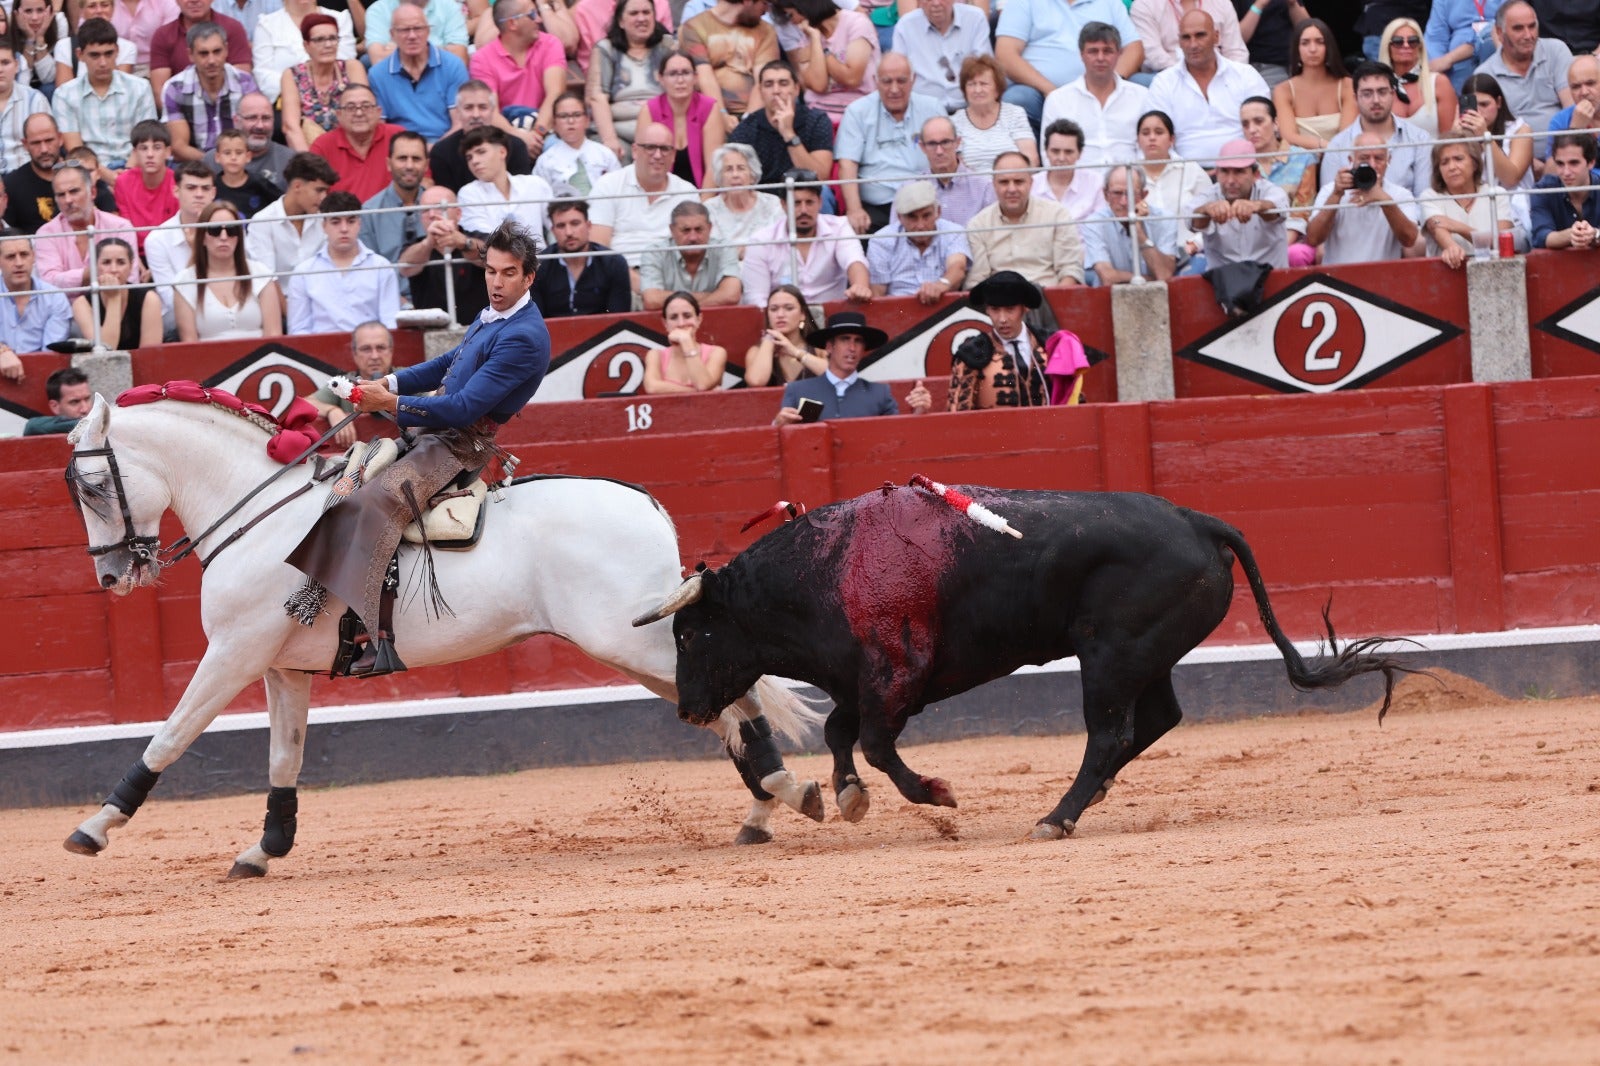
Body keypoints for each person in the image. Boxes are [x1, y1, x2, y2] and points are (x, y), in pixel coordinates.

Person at [286, 219, 552, 677]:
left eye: (508, 273)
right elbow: (448, 364)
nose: (496, 282)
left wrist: (388, 403)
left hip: (460, 445)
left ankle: (379, 636)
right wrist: (386, 381)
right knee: (349, 476)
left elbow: (463, 408)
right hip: (437, 434)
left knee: (374, 502)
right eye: (491, 271)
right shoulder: (494, 316)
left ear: (528, 277)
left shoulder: (524, 336)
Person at [836, 52, 944, 233]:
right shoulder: (857, 112)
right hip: (876, 207)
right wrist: (854, 209)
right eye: (887, 81)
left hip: (925, 203)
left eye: (901, 81)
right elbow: (847, 164)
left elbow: (950, 157)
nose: (894, 89)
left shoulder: (932, 108)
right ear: (875, 80)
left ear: (913, 80)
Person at [995, 0, 1140, 131]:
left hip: (1101, 87)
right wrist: (1052, 92)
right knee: (1017, 99)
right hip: (1041, 92)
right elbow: (1005, 55)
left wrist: (1113, 83)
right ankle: (1035, 159)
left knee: (1143, 84)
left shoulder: (1109, 3)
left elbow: (1134, 48)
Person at [1147, 10, 1270, 163]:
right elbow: (1158, 140)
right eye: (1186, 37)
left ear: (1216, 36)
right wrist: (1188, 172)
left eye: (1200, 35)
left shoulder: (1245, 76)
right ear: (1179, 41)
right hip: (1186, 175)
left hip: (1243, 170)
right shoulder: (1163, 83)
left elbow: (1265, 131)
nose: (1193, 44)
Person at [588, 118, 698, 283]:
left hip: (675, 278)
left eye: (665, 149)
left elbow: (695, 247)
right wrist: (639, 283)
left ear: (674, 155)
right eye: (650, 147)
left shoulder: (687, 192)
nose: (658, 155)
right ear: (635, 151)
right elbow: (598, 245)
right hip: (621, 277)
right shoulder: (608, 185)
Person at [772, 308, 930, 423]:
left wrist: (919, 412)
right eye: (844, 339)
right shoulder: (798, 390)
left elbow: (897, 438)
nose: (852, 348)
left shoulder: (880, 394)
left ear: (863, 349)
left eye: (858, 341)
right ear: (829, 346)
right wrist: (778, 425)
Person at [742, 168, 870, 307]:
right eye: (796, 203)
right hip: (783, 322)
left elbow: (855, 261)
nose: (803, 210)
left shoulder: (839, 227)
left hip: (831, 319)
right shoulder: (761, 241)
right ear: (783, 205)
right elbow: (756, 298)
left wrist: (860, 286)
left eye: (809, 202)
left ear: (820, 203)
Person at [285, 189, 399, 333]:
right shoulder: (303, 273)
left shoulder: (381, 267)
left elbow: (390, 324)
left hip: (371, 350)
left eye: (351, 221)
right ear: (324, 226)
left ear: (359, 224)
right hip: (320, 351)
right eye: (335, 222)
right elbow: (299, 330)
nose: (344, 229)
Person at [1040, 22, 1149, 171]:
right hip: (1078, 188)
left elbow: (1152, 150)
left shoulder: (1142, 96)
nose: (1100, 57)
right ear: (1081, 55)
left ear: (1118, 54)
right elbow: (1049, 156)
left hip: (1131, 185)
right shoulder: (1058, 100)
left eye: (1107, 51)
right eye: (1093, 51)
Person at [967, 150, 1084, 289]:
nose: (1011, 189)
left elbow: (1070, 270)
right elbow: (976, 281)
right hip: (1000, 303)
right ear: (994, 184)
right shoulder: (978, 225)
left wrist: (1057, 304)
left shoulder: (1057, 215)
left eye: (1018, 182)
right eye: (1004, 182)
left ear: (1030, 182)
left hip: (1048, 299)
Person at [51, 19, 155, 173]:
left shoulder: (140, 88)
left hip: (135, 168)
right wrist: (111, 178)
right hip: (89, 173)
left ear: (117, 51)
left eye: (108, 53)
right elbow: (76, 151)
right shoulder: (65, 95)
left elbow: (146, 140)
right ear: (80, 55)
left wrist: (127, 173)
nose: (103, 62)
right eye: (95, 55)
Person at [1323, 61, 1434, 200]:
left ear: (1393, 94)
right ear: (1355, 98)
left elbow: (1424, 200)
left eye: (1382, 92)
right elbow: (1327, 202)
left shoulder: (1419, 139)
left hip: (1408, 218)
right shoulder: (1337, 145)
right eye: (1367, 94)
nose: (1376, 100)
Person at [1306, 133, 1422, 265]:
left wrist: (1385, 201)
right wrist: (1336, 195)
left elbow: (1409, 240)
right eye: (1364, 158)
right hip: (1338, 279)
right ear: (1351, 160)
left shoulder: (1400, 194)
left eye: (1378, 158)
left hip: (1382, 279)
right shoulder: (1331, 191)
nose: (1372, 164)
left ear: (1388, 161)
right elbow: (1313, 238)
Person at [173, 199, 283, 339]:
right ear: (202, 237)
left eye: (231, 230)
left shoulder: (261, 274)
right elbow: (189, 345)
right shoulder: (184, 282)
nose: (224, 237)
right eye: (215, 230)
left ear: (239, 236)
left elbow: (274, 336)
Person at [1475, 1, 1574, 150]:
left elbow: (1572, 110)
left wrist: (1555, 159)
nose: (1528, 35)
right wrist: (1527, 162)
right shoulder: (1485, 74)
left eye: (1532, 26)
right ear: (1500, 33)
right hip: (1514, 161)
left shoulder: (1556, 51)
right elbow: (1491, 134)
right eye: (1518, 28)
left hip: (1564, 153)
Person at [368, 0, 470, 143]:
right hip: (400, 149)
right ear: (392, 34)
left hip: (445, 146)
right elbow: (380, 128)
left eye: (418, 28)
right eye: (404, 30)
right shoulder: (378, 74)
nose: (412, 36)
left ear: (428, 31)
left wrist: (435, 152)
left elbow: (460, 124)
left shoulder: (453, 66)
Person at [587, 0, 677, 160]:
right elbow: (597, 97)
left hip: (663, 128)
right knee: (610, 155)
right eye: (634, 13)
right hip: (619, 131)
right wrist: (610, 140)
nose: (641, 18)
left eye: (646, 12)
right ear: (621, 21)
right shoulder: (605, 49)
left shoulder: (667, 47)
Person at [947, 269, 1048, 411]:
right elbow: (957, 413)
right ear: (987, 310)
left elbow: (1074, 402)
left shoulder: (1051, 345)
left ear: (1025, 308)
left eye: (1010, 309)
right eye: (995, 309)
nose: (1002, 319)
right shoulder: (971, 353)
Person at [469, 0, 566, 145]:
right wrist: (519, 138)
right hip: (504, 135)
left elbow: (555, 94)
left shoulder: (550, 44)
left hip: (545, 132)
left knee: (555, 146)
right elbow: (489, 110)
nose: (539, 20)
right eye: (532, 14)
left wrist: (537, 133)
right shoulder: (482, 59)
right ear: (512, 24)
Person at [727, 58, 834, 190]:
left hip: (804, 194)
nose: (776, 90)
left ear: (796, 89)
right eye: (768, 84)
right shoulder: (746, 129)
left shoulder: (816, 120)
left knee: (825, 193)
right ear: (760, 91)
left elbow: (820, 178)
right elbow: (737, 181)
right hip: (763, 198)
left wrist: (789, 134)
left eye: (783, 83)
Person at [1186, 138, 1291, 269]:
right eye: (1225, 171)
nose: (1230, 180)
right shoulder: (1209, 196)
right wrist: (1207, 210)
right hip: (1224, 284)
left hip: (1271, 281)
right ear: (1217, 173)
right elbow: (1192, 220)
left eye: (1239, 171)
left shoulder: (1270, 191)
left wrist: (1256, 206)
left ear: (1256, 175)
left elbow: (1276, 209)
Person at [162, 21, 260, 162]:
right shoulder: (175, 88)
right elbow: (179, 146)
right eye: (203, 53)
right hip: (195, 166)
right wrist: (217, 162)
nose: (212, 60)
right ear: (190, 55)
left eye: (217, 51)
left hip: (240, 163)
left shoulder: (245, 83)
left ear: (226, 50)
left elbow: (254, 133)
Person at [33, 159, 136, 292]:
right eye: (61, 195)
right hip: (65, 312)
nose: (68, 200)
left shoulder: (120, 227)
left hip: (115, 306)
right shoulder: (46, 233)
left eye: (74, 191)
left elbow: (131, 281)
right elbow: (49, 283)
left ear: (93, 192)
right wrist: (92, 273)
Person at [1457, 71, 1536, 243]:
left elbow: (1511, 178)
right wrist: (1457, 136)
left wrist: (1486, 138)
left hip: (1514, 212)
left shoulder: (1520, 130)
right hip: (1472, 211)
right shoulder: (1459, 134)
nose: (1479, 112)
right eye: (1473, 106)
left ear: (1499, 102)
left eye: (1485, 104)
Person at [1239, 95, 1317, 267]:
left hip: (1292, 239)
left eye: (1259, 121)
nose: (1252, 129)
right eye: (1245, 124)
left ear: (1275, 123)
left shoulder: (1303, 158)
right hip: (1246, 241)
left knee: (1295, 254)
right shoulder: (1238, 163)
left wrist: (1273, 249)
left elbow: (1301, 213)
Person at [678, 0, 780, 129]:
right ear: (747, 2)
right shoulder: (694, 27)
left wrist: (748, 121)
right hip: (707, 113)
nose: (766, 11)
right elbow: (705, 78)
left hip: (754, 114)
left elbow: (764, 79)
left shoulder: (766, 30)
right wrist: (722, 115)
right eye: (764, 3)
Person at [774, 0, 878, 126]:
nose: (792, 22)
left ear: (803, 6)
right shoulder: (807, 35)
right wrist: (816, 38)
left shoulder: (857, 23)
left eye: (791, 15)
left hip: (858, 113)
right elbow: (818, 85)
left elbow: (852, 79)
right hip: (819, 117)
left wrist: (824, 50)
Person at [866, 179, 969, 303]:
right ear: (899, 217)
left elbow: (957, 267)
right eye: (912, 217)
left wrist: (940, 286)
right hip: (898, 310)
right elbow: (878, 294)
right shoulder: (881, 241)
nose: (920, 225)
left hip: (943, 307)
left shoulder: (953, 232)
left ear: (938, 212)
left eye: (926, 216)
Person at [278, 11, 368, 152]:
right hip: (309, 151)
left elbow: (364, 113)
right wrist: (311, 164)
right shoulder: (292, 75)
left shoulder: (352, 68)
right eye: (319, 40)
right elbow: (290, 126)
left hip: (351, 149)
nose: (328, 45)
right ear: (306, 46)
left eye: (333, 38)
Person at [1423, 130, 1515, 268]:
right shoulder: (1430, 196)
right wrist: (1452, 248)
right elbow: (1438, 229)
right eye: (1444, 162)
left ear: (1475, 163)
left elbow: (1499, 241)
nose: (1452, 167)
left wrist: (1456, 226)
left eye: (1458, 159)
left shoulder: (1497, 194)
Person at [398, 185, 490, 322]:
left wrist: (464, 243)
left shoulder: (478, 238)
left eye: (439, 207)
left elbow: (493, 259)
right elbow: (405, 268)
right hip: (430, 331)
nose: (431, 215)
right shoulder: (415, 244)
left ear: (458, 213)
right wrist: (428, 242)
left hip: (480, 327)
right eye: (424, 210)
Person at [530, 196, 630, 317]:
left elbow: (619, 318)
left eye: (575, 223)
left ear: (588, 226)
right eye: (561, 226)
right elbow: (537, 319)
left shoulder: (614, 263)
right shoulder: (538, 265)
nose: (569, 232)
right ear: (553, 230)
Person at [143, 159, 216, 323]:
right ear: (176, 191)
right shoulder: (157, 240)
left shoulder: (230, 229)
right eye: (191, 188)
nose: (199, 194)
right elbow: (172, 301)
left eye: (205, 188)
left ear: (213, 193)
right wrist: (196, 251)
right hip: (180, 316)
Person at [428, 79, 533, 192]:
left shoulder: (515, 146)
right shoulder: (442, 151)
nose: (476, 115)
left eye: (482, 107)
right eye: (468, 108)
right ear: (458, 112)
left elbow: (523, 193)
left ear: (492, 110)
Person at [304, 319, 397, 446]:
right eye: (366, 349)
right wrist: (332, 411)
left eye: (380, 348)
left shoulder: (405, 378)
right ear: (354, 354)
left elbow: (431, 397)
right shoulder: (344, 382)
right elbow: (306, 404)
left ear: (391, 351)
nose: (374, 356)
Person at [458, 125, 554, 246]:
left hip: (544, 262)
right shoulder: (468, 193)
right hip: (496, 263)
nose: (474, 161)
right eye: (469, 157)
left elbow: (556, 226)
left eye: (481, 152)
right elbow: (485, 240)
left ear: (502, 152)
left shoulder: (535, 184)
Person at [1081, 165, 1177, 285]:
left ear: (1144, 195)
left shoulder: (1164, 219)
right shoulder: (1094, 223)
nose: (1124, 201)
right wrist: (1148, 280)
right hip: (1110, 298)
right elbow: (1107, 277)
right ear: (1106, 195)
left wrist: (1139, 232)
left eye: (1131, 194)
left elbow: (1164, 274)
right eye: (1117, 193)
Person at [244, 149, 336, 274]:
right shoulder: (262, 222)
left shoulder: (323, 219)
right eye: (319, 190)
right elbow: (266, 279)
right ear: (297, 186)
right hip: (276, 292)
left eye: (325, 191)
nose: (323, 197)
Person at [1274, 16, 1359, 152]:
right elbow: (1288, 136)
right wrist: (1323, 145)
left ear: (1329, 47)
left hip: (1341, 159)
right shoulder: (1283, 90)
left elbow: (1346, 136)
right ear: (1297, 49)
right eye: (1305, 43)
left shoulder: (1347, 85)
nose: (1313, 49)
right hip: (1301, 165)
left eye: (1320, 42)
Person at [251, 0, 358, 107]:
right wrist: (301, 96)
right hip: (286, 103)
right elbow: (264, 75)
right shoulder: (267, 24)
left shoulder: (340, 19)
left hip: (338, 101)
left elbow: (346, 65)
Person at [359, 130, 427, 294]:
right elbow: (367, 271)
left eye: (416, 159)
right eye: (402, 158)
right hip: (386, 301)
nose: (409, 166)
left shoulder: (439, 206)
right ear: (389, 163)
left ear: (426, 164)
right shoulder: (370, 212)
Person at [892, 0, 990, 114]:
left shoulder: (975, 18)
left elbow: (985, 69)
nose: (936, 3)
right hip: (923, 112)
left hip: (970, 109)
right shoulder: (905, 26)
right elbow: (898, 75)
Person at [640, 200, 740, 308]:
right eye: (686, 230)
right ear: (672, 230)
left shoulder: (724, 249)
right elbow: (652, 300)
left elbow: (731, 295)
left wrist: (689, 310)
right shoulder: (655, 253)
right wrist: (713, 296)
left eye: (699, 229)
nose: (693, 237)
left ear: (710, 228)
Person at [149, 0, 254, 101]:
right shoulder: (163, 35)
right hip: (182, 110)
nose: (194, 0)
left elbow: (242, 83)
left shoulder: (233, 28)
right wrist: (175, 114)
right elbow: (161, 92)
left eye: (217, 51)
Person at [648, 49, 724, 187]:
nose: (680, 80)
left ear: (695, 77)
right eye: (672, 74)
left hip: (702, 197)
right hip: (662, 198)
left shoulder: (709, 107)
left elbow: (713, 168)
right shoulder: (650, 109)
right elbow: (645, 167)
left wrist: (703, 204)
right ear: (661, 79)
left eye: (686, 73)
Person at [951, 53, 1036, 175]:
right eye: (971, 84)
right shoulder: (954, 122)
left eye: (984, 84)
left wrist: (1005, 184)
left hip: (1012, 185)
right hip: (973, 189)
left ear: (997, 88)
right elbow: (957, 167)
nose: (977, 90)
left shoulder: (1015, 114)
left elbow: (1031, 159)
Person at [71, 235, 161, 347]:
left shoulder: (149, 298)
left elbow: (150, 354)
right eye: (106, 262)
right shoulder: (82, 303)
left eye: (121, 262)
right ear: (95, 266)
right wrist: (114, 298)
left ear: (131, 266)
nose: (114, 269)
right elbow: (106, 350)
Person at [1381, 16, 1457, 140]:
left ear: (1420, 47)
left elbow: (1448, 139)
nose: (1406, 45)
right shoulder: (1378, 89)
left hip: (1433, 158)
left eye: (1412, 41)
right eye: (1398, 41)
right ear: (1387, 47)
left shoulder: (1439, 83)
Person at [912, 113, 993, 227]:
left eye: (945, 142)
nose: (939, 151)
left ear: (957, 142)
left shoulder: (984, 188)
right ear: (922, 147)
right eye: (932, 144)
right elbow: (896, 238)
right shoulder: (909, 189)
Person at [1130, 0, 1246, 79]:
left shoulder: (1221, 2)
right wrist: (1192, 74)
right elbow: (1152, 54)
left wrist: (1225, 75)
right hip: (1168, 74)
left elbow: (1236, 51)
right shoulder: (1144, 4)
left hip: (1219, 72)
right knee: (1140, 81)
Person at [203, 91, 294, 190]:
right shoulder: (211, 162)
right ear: (236, 121)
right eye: (252, 118)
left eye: (266, 118)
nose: (260, 125)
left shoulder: (290, 161)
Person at [640, 289, 726, 394]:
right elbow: (652, 388)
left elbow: (703, 384)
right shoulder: (655, 355)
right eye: (673, 317)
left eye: (687, 316)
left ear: (699, 319)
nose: (681, 323)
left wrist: (686, 342)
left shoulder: (716, 353)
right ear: (665, 323)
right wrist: (694, 392)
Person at [535, 91, 621, 196]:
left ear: (587, 120)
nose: (571, 121)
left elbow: (619, 191)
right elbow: (541, 199)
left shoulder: (605, 155)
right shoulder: (545, 162)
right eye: (563, 116)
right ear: (554, 124)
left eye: (577, 115)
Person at [0, 228, 71, 354]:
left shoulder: (54, 297)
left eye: (24, 254)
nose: (19, 263)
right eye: (10, 257)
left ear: (33, 256)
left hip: (44, 370)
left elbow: (50, 353)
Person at [741, 282, 825, 387]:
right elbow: (756, 381)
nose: (780, 315)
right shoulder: (756, 352)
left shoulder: (819, 348)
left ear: (802, 314)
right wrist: (769, 340)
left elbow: (836, 376)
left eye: (789, 308)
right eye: (774, 309)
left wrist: (795, 352)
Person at [112, 120, 178, 254]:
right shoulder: (123, 182)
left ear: (168, 152)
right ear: (135, 153)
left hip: (169, 252)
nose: (150, 154)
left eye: (157, 147)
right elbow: (126, 229)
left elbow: (177, 232)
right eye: (143, 148)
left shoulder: (177, 182)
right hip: (133, 253)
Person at [703, 142, 783, 252]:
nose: (735, 175)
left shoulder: (773, 205)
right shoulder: (709, 209)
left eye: (741, 168)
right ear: (720, 178)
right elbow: (712, 254)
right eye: (729, 169)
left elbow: (780, 247)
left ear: (752, 175)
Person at [1530, 132, 1600, 250]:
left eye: (1574, 163)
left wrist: (1595, 234)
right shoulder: (1544, 190)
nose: (1566, 172)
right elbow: (1542, 236)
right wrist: (1571, 235)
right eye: (1560, 164)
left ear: (1591, 163)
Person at [3, 112, 68, 233]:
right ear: (25, 144)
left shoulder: (82, 177)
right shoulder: (12, 186)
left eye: (49, 140)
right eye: (36, 143)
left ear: (60, 139)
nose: (44, 149)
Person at [1425, 0, 1504, 94]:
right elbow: (1435, 38)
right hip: (1457, 68)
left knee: (1490, 39)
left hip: (1495, 53)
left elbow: (1506, 22)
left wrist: (1450, 58)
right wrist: (1439, 70)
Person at [1033, 119, 1104, 222]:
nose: (1061, 158)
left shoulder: (1095, 183)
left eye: (1068, 152)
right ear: (1046, 152)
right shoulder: (1031, 185)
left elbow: (1101, 226)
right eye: (1055, 151)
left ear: (1079, 154)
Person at [363, 0, 470, 66]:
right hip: (395, 79)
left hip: (442, 76)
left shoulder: (449, 7)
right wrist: (441, 50)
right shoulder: (378, 10)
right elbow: (378, 60)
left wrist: (398, 50)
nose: (412, 36)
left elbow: (459, 59)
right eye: (404, 30)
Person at [54, 0, 138, 83]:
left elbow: (120, 86)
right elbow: (64, 90)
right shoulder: (64, 46)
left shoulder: (128, 48)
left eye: (104, 5)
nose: (99, 11)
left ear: (112, 9)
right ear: (82, 11)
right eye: (92, 6)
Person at [1232, 0, 1310, 89]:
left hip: (1280, 64)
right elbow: (1236, 40)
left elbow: (1308, 31)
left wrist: (1293, 4)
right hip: (1245, 65)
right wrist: (1259, 5)